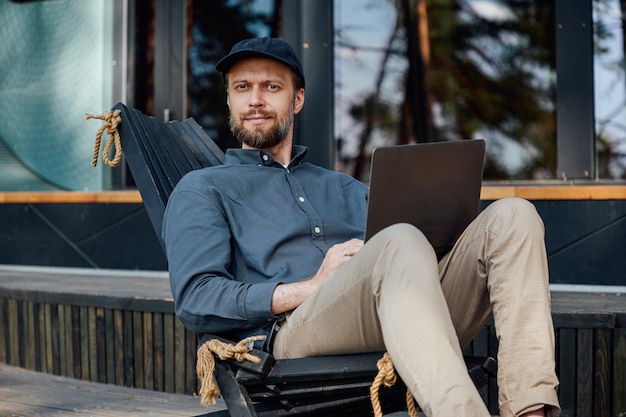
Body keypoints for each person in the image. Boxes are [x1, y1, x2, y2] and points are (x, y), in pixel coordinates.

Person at [162, 37, 560, 417]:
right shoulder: (203, 188)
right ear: (229, 98)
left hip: (405, 314)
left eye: (271, 86)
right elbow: (197, 298)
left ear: (297, 99)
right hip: (291, 337)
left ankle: (530, 409)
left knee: (514, 215)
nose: (255, 100)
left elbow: (404, 262)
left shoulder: (345, 187)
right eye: (242, 87)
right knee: (399, 239)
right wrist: (310, 287)